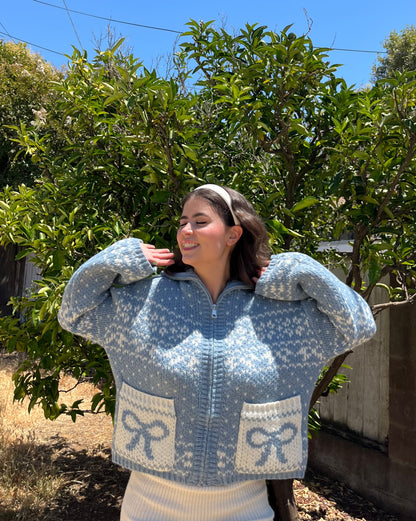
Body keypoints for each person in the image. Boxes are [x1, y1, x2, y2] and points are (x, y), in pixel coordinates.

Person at [58, 184, 376, 521]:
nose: (185, 230)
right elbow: (74, 312)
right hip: (148, 508)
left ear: (233, 234)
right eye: (182, 222)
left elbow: (356, 325)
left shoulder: (279, 314)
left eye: (199, 221)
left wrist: (301, 270)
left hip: (245, 511)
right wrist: (118, 257)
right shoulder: (144, 301)